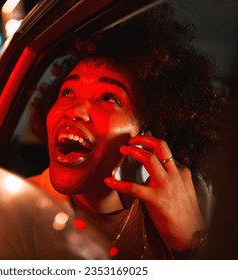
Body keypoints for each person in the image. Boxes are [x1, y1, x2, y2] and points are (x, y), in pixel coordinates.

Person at [28, 3, 224, 259]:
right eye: (67, 92)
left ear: (147, 133)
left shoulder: (196, 198)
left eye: (108, 98)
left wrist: (193, 243)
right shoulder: (20, 206)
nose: (74, 110)